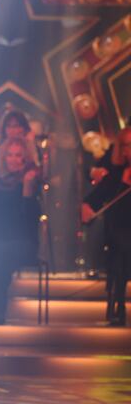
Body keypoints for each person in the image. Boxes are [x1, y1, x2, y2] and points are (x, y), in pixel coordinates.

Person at [0, 136, 40, 324]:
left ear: (25, 158)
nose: (13, 159)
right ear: (3, 158)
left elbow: (28, 221)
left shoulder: (30, 181)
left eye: (18, 155)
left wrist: (27, 192)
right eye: (10, 155)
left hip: (22, 240)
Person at [82, 128, 131, 326]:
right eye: (127, 145)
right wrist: (86, 208)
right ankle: (118, 302)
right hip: (119, 231)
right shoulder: (116, 174)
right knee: (121, 245)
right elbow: (93, 199)